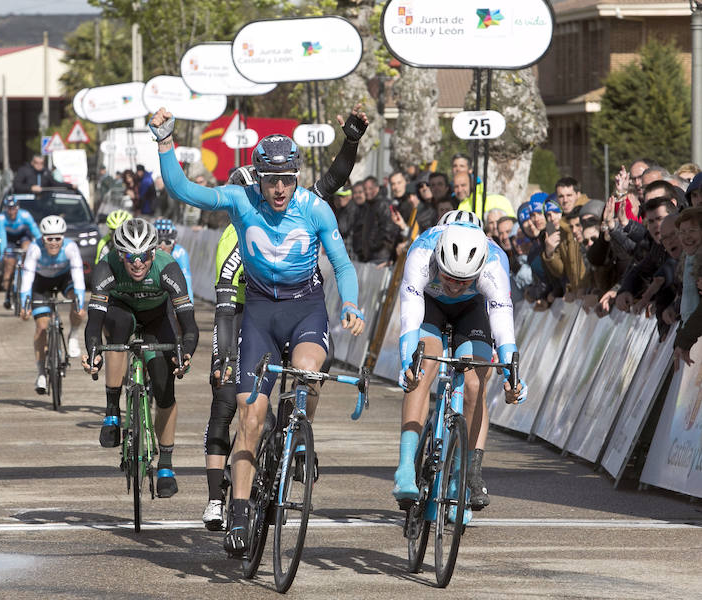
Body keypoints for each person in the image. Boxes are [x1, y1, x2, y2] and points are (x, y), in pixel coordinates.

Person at [148, 106, 366, 556]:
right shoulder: (239, 201)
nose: (280, 188)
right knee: (249, 416)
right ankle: (242, 512)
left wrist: (350, 304)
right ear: (259, 179)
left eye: (287, 178)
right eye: (271, 180)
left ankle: (296, 433)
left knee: (308, 372)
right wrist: (166, 140)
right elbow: (184, 189)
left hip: (305, 309)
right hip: (260, 314)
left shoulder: (314, 208)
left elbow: (342, 263)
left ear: (296, 177)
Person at [393, 217, 526, 521]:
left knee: (476, 383)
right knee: (423, 367)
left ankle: (467, 473)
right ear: (438, 260)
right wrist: (406, 361)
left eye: (462, 280)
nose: (453, 285)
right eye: (449, 277)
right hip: (430, 305)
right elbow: (410, 318)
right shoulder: (422, 252)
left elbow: (504, 327)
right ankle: (405, 468)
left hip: (472, 311)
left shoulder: (494, 264)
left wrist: (512, 375)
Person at [82, 218, 197, 498]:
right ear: (120, 255)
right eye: (130, 256)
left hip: (157, 318)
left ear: (153, 253)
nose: (137, 263)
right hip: (121, 313)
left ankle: (166, 465)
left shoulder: (168, 268)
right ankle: (112, 411)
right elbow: (94, 323)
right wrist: (93, 353)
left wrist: (185, 354)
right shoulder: (106, 268)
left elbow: (190, 326)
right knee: (119, 328)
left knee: (164, 387)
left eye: (143, 256)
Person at [19, 215, 87, 391]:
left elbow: (79, 277)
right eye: (50, 239)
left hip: (64, 280)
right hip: (40, 284)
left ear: (63, 238)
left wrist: (78, 302)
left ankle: (73, 335)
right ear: (43, 238)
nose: (54, 243)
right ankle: (41, 373)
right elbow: (27, 279)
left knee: (79, 306)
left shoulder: (70, 247)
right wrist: (24, 305)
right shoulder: (35, 248)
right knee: (41, 328)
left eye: (58, 238)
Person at [0, 197, 42, 309]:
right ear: (6, 209)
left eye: (14, 208)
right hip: (10, 241)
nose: (11, 211)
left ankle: (25, 268)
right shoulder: (2, 218)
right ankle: (7, 295)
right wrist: (3, 252)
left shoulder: (25, 215)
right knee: (8, 266)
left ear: (18, 208)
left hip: (23, 238)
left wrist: (42, 246)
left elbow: (36, 232)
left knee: (27, 247)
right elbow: (2, 236)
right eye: (9, 209)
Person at [153, 218, 193, 302]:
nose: (162, 247)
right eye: (158, 242)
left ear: (174, 243)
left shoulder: (180, 253)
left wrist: (189, 305)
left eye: (167, 242)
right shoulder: (147, 253)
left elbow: (186, 281)